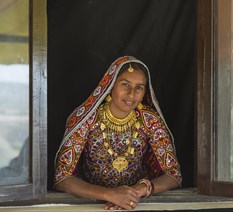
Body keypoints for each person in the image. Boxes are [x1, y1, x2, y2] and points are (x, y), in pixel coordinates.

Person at [54, 56, 182, 210]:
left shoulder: (150, 120)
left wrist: (136, 192)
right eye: (125, 84)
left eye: (139, 87)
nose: (131, 94)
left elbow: (174, 175)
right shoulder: (86, 119)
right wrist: (109, 194)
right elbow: (62, 178)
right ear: (110, 86)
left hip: (135, 204)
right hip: (90, 204)